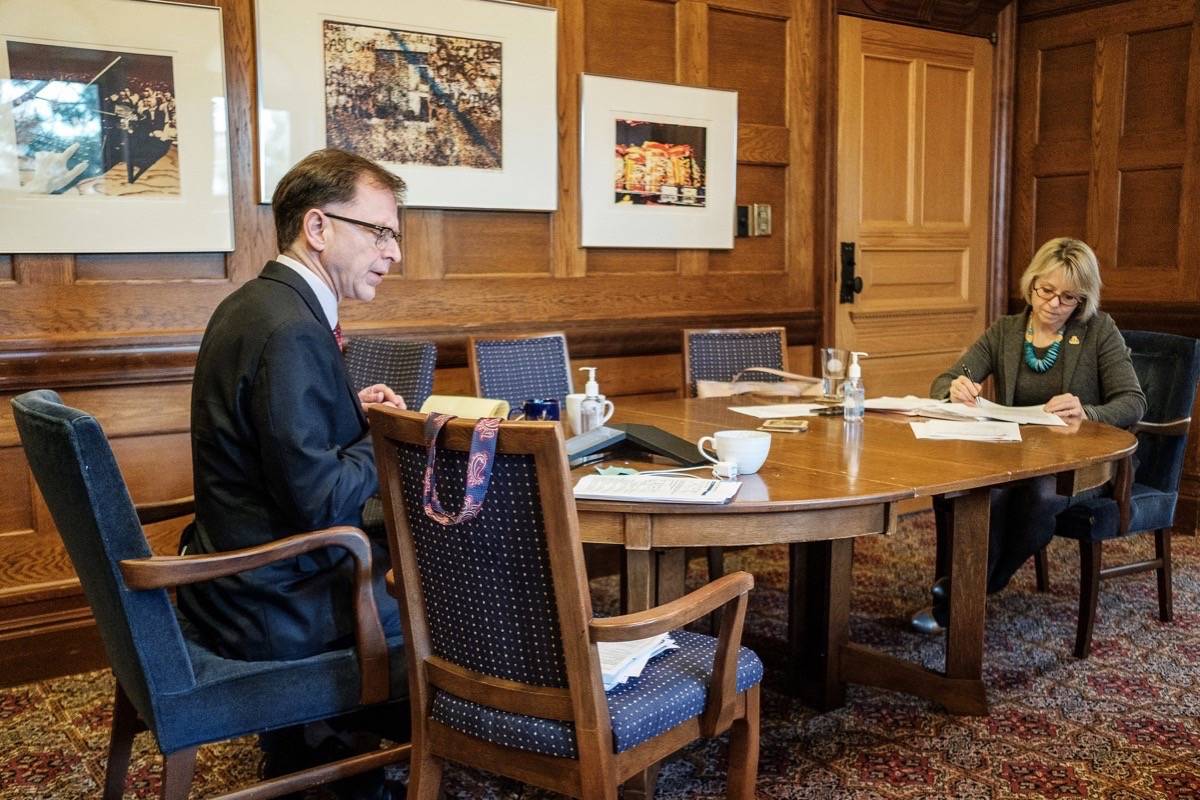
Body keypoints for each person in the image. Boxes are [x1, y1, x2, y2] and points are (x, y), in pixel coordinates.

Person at [178, 148, 407, 799]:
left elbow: (271, 438)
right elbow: (321, 501)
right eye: (380, 232)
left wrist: (348, 410)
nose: (393, 253)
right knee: (450, 587)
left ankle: (316, 740)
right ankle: (352, 758)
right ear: (317, 227)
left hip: (231, 579)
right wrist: (384, 437)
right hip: (274, 601)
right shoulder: (292, 331)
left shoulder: (255, 304)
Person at [912, 237, 1146, 633]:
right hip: (1014, 456)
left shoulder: (1098, 331)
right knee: (988, 491)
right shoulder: (1007, 331)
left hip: (1080, 464)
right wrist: (955, 389)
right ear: (1032, 283)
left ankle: (973, 590)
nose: (1053, 304)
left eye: (1068, 298)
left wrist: (1086, 412)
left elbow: (1134, 401)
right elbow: (946, 379)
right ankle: (972, 587)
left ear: (1082, 300)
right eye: (1046, 290)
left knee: (1039, 494)